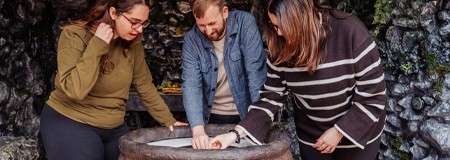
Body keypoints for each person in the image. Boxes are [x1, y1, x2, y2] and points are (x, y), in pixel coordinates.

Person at [210, 0, 386, 159]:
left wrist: (339, 132)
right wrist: (234, 135)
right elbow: (270, 99)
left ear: (297, 21)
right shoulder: (280, 47)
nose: (277, 33)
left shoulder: (350, 31)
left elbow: (374, 95)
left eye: (280, 26)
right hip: (313, 135)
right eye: (273, 26)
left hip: (357, 132)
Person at [40, 0, 187, 159]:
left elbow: (144, 85)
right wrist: (97, 45)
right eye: (134, 22)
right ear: (114, 13)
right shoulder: (73, 34)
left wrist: (169, 120)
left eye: (144, 23)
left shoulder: (133, 42)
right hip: (71, 120)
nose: (139, 30)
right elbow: (75, 90)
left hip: (113, 126)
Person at [181, 0, 267, 149]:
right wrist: (198, 130)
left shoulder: (245, 23)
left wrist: (257, 122)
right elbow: (191, 85)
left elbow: (256, 74)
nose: (207, 31)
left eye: (212, 23)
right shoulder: (191, 39)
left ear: (225, 12)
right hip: (211, 117)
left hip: (246, 114)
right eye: (201, 25)